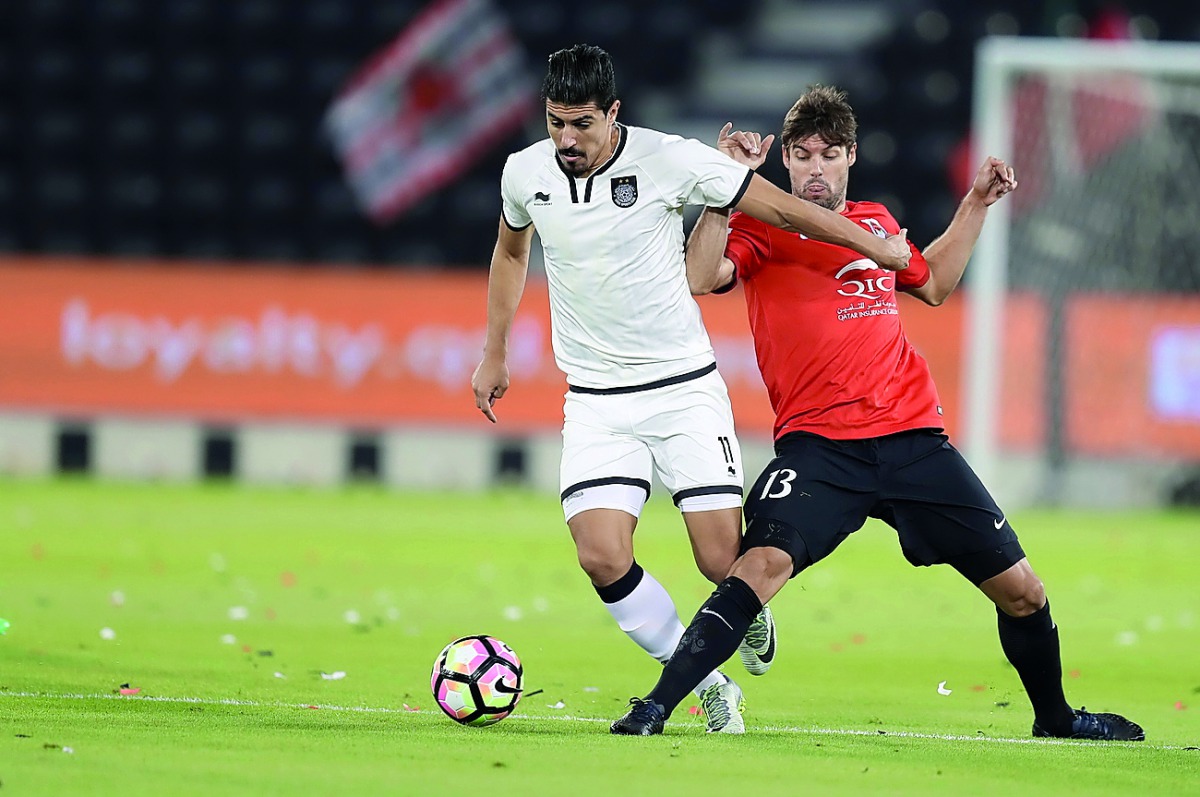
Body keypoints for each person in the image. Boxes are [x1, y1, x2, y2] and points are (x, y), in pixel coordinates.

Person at [610, 85, 1144, 741]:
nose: (813, 168)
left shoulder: (876, 222)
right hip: (821, 451)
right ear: (786, 162)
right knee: (755, 568)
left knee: (1025, 591)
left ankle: (1056, 719)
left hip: (915, 442)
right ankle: (656, 706)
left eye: (828, 155)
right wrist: (727, 187)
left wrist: (975, 204)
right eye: (802, 155)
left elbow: (935, 283)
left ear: (850, 158)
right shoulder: (761, 224)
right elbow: (699, 276)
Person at [470, 49, 911, 734]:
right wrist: (494, 351)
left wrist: (873, 245)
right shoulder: (524, 172)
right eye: (555, 123)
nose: (566, 140)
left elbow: (782, 207)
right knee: (601, 554)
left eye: (582, 125)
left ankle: (749, 611)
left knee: (718, 560)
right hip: (595, 398)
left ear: (614, 114)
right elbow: (509, 249)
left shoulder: (668, 159)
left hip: (682, 391)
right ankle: (709, 682)